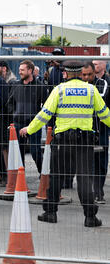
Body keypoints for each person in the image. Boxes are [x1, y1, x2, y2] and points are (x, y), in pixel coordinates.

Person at [20, 60, 110, 228]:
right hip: (84, 142)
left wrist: (30, 129)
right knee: (84, 180)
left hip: (62, 142)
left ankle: (50, 213)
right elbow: (105, 114)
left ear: (66, 73)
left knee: (56, 178)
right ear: (80, 72)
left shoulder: (59, 90)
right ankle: (90, 217)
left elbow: (44, 114)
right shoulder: (91, 90)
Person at [7, 60, 48, 174]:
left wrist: (38, 118)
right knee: (19, 153)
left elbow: (46, 106)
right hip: (18, 124)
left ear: (30, 70)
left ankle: (43, 174)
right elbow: (10, 103)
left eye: (22, 70)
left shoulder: (40, 87)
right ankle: (21, 177)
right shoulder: (15, 85)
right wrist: (14, 114)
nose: (20, 72)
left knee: (35, 152)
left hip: (33, 125)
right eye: (19, 70)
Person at [81, 61, 110, 204]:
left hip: (102, 128)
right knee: (89, 162)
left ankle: (99, 190)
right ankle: (93, 191)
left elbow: (100, 97)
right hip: (87, 129)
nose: (86, 77)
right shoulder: (80, 85)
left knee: (102, 162)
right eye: (83, 75)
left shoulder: (102, 84)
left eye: (89, 74)